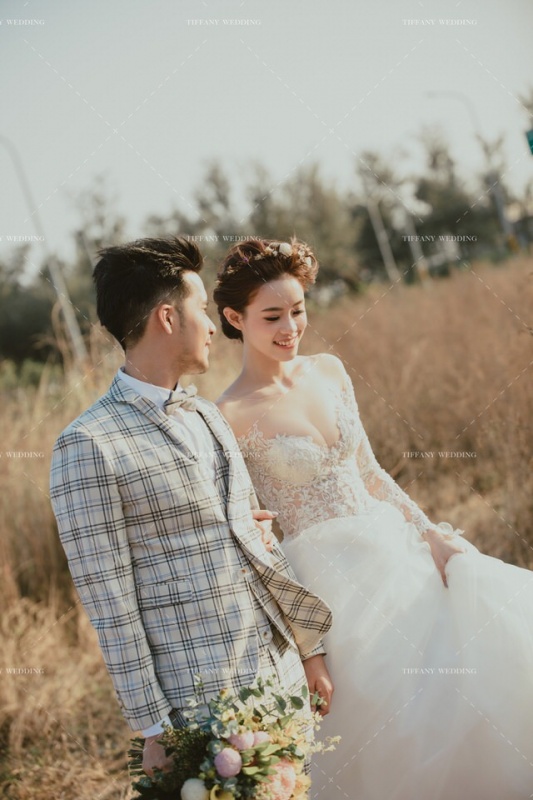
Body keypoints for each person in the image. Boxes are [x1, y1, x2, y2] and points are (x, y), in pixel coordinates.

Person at [214, 236, 533, 800]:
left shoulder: (329, 370)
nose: (291, 327)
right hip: (328, 586)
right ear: (235, 318)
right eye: (272, 316)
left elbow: (371, 472)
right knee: (389, 714)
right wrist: (306, 644)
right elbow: (254, 536)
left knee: (471, 665)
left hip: (393, 547)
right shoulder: (227, 415)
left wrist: (432, 534)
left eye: (298, 310)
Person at [49, 236, 333, 778]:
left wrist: (309, 649)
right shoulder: (88, 445)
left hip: (281, 681)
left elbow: (258, 546)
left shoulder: (207, 415)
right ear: (167, 318)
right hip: (201, 706)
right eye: (201, 309)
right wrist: (154, 729)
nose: (210, 326)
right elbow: (109, 603)